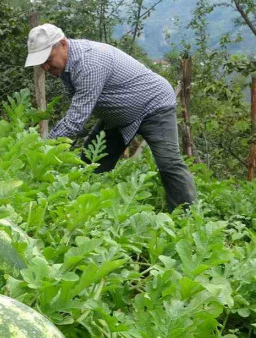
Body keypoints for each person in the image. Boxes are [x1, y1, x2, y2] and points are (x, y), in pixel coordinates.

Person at [24, 23, 197, 211]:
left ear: (63, 44)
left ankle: (186, 216)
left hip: (154, 105)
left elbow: (75, 121)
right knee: (92, 160)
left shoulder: (89, 62)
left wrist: (41, 149)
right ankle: (89, 210)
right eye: (41, 63)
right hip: (119, 117)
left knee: (168, 162)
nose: (46, 66)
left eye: (48, 59)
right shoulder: (67, 65)